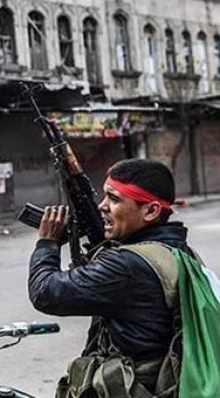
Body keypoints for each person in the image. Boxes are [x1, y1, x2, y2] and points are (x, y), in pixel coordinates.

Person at [28, 158, 199, 397]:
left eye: (115, 199)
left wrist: (47, 243)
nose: (102, 206)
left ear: (150, 211)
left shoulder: (127, 265)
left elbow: (46, 292)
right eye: (104, 196)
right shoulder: (180, 252)